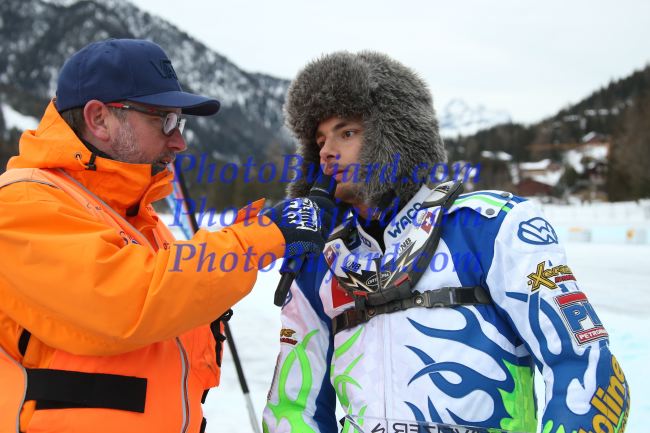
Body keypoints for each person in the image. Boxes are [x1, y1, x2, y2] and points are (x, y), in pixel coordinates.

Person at [263, 52, 630, 433]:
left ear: (395, 134)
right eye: (320, 140)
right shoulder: (320, 264)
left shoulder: (490, 227)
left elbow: (585, 368)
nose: (326, 151)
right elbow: (292, 407)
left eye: (347, 133)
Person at [0, 39, 332, 433]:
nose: (180, 141)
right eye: (165, 121)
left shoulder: (140, 222)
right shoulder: (21, 203)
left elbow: (175, 304)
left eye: (180, 122)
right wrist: (265, 234)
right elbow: (129, 300)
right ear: (99, 119)